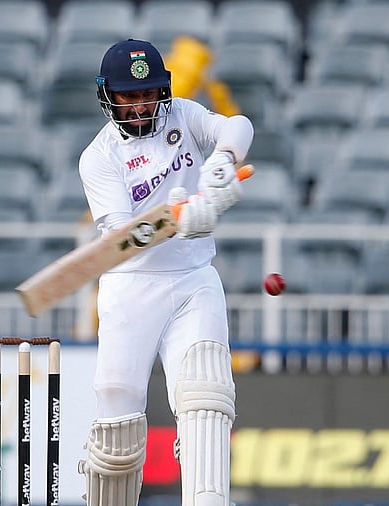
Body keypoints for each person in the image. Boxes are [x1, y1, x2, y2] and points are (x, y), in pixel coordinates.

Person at [75, 39, 253, 506]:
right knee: (117, 427)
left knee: (206, 398)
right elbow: (121, 243)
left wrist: (222, 163)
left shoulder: (185, 116)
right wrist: (177, 220)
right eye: (128, 96)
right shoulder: (99, 158)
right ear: (107, 97)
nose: (139, 105)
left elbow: (239, 124)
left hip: (194, 280)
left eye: (148, 93)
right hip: (130, 290)